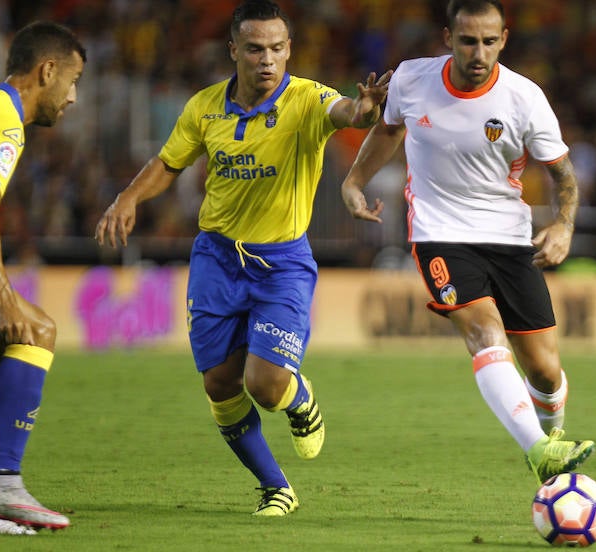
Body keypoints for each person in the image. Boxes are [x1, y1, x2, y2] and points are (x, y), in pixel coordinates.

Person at [94, 0, 390, 515]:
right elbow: (169, 163)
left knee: (266, 384)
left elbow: (344, 110)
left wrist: (363, 110)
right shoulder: (204, 107)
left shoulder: (305, 100)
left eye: (277, 48)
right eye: (255, 49)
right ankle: (276, 487)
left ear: (289, 49)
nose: (267, 59)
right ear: (234, 50)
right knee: (219, 383)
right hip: (216, 258)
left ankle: (300, 400)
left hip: (282, 265)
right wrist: (128, 198)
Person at [341, 0, 594, 484]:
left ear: (504, 39)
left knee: (545, 371)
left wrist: (564, 224)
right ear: (447, 38)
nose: (479, 52)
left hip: (509, 237)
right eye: (468, 41)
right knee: (483, 331)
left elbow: (563, 174)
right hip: (439, 234)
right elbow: (388, 129)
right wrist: (354, 182)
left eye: (489, 41)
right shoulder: (413, 80)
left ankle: (550, 443)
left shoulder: (525, 98)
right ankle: (538, 450)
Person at [0, 21, 85, 531]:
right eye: (72, 80)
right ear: (46, 71)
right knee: (34, 328)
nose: (73, 97)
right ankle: (1, 485)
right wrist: (2, 296)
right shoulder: (1, 116)